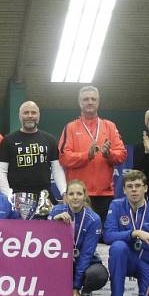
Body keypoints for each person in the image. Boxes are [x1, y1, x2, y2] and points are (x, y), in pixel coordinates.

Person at [58, 86, 128, 222]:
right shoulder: (71, 127)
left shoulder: (110, 126)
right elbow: (64, 158)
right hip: (78, 195)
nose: (90, 102)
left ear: (98, 102)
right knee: (75, 237)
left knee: (103, 239)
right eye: (86, 99)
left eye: (93, 99)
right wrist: (87, 156)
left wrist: (109, 154)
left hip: (104, 195)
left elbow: (122, 155)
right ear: (80, 103)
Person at [0, 100, 66, 219]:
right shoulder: (8, 140)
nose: (30, 116)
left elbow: (57, 169)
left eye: (33, 112)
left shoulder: (50, 139)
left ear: (38, 116)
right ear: (19, 116)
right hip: (17, 198)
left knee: (44, 233)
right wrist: (8, 196)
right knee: (20, 234)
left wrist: (64, 192)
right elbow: (1, 172)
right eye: (26, 113)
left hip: (44, 198)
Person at [50, 179, 108, 296]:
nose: (75, 197)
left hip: (84, 262)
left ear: (85, 196)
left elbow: (87, 255)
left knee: (98, 274)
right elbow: (43, 239)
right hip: (62, 262)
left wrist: (76, 287)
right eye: (71, 194)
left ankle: (86, 292)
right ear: (66, 197)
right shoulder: (56, 211)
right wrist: (53, 222)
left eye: (79, 194)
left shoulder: (93, 219)